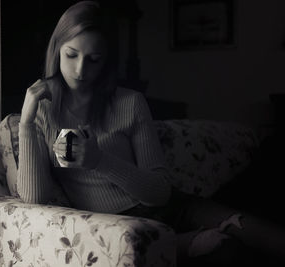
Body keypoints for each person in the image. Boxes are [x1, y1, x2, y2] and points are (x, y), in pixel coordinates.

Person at [16, 1, 285, 266]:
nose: (80, 70)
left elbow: (159, 192)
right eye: (71, 55)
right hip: (129, 227)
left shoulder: (129, 103)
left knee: (266, 237)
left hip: (175, 206)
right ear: (56, 50)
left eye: (94, 60)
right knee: (229, 251)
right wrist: (26, 124)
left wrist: (100, 161)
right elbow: (34, 199)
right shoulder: (43, 111)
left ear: (106, 61)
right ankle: (185, 245)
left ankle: (185, 243)